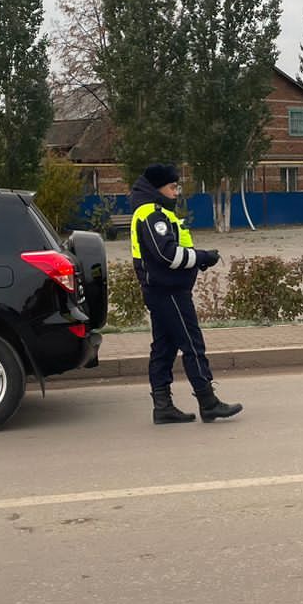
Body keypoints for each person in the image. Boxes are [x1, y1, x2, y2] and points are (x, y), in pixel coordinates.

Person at [128, 164, 243, 423]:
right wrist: (203, 257)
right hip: (168, 290)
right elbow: (167, 254)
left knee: (164, 348)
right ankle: (208, 401)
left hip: (162, 289)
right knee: (192, 344)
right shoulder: (152, 215)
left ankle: (163, 406)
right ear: (157, 188)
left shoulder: (153, 212)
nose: (176, 192)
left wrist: (197, 259)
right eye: (172, 187)